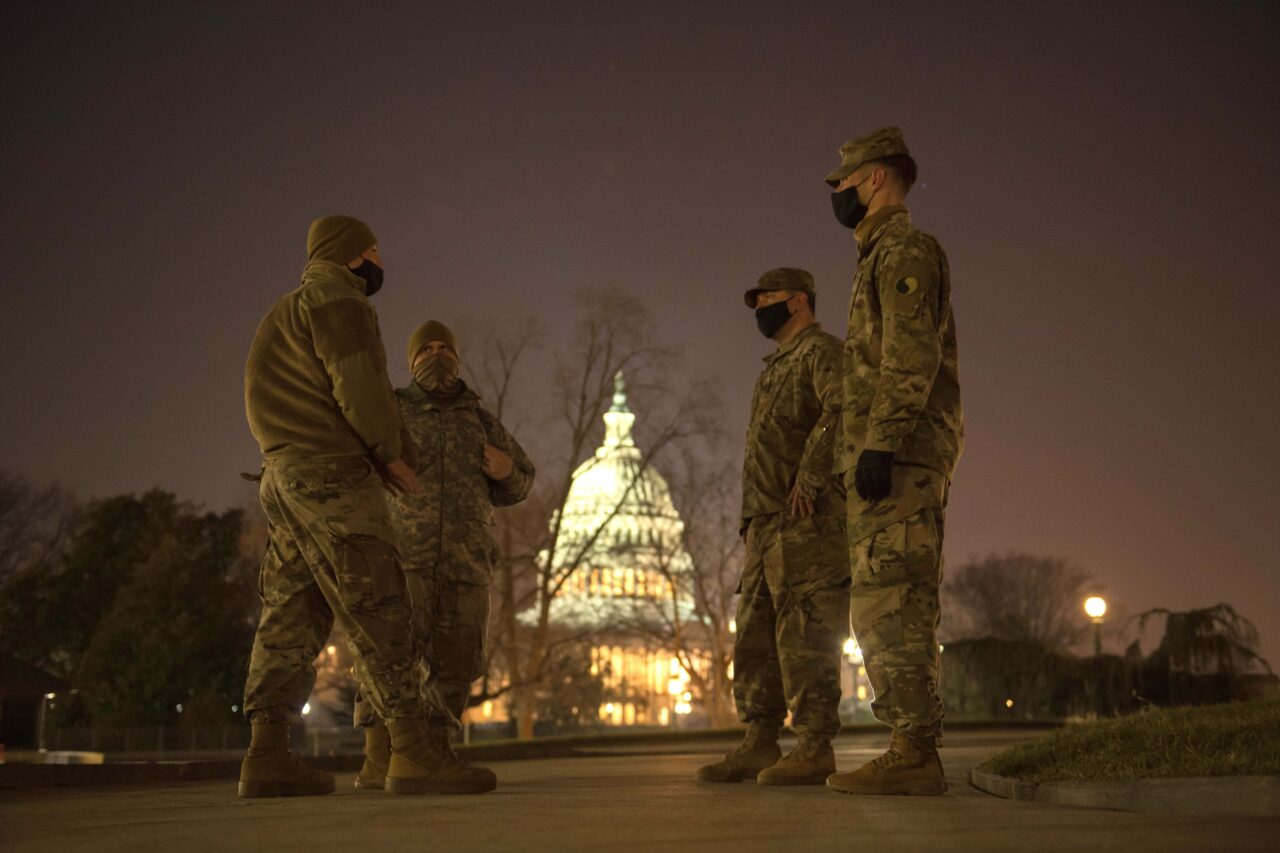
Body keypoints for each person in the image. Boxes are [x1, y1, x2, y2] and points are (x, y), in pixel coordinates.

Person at [240, 215, 470, 797]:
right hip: (333, 475)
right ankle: (412, 748)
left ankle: (266, 752)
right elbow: (360, 382)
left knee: (291, 613)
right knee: (379, 602)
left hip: (284, 474)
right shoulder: (339, 302)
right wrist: (391, 452)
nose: (378, 261)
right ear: (347, 256)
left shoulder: (282, 309)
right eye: (372, 250)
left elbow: (258, 394)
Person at [821, 128, 964, 796]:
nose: (837, 195)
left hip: (901, 454)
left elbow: (910, 354)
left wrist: (881, 442)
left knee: (895, 600)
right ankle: (908, 745)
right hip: (887, 450)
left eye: (842, 182)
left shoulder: (904, 250)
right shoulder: (878, 255)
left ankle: (913, 750)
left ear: (875, 178)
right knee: (881, 601)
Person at [352, 320, 534, 794]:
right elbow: (353, 469)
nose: (436, 356)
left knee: (458, 660)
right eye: (426, 350)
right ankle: (380, 755)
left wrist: (507, 469)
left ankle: (436, 751)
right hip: (403, 557)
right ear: (411, 361)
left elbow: (523, 480)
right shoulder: (389, 411)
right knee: (391, 655)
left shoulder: (478, 419)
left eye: (444, 348)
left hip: (466, 561)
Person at [697, 268, 848, 786]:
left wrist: (812, 473)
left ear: (799, 301)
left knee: (805, 634)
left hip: (806, 523)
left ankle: (813, 744)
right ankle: (760, 739)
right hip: (762, 526)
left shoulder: (821, 353)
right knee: (755, 638)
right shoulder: (772, 369)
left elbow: (844, 408)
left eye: (768, 299)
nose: (760, 309)